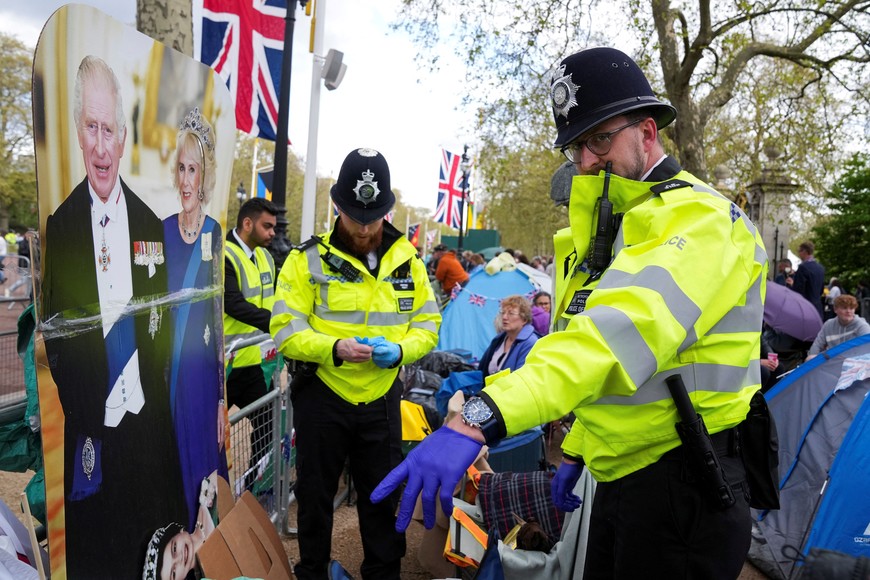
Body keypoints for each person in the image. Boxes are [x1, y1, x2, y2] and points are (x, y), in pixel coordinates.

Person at [372, 47, 767, 580]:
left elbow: (609, 341)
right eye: (578, 145)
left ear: (648, 133)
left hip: (686, 487)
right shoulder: (613, 226)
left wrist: (478, 419)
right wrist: (578, 449)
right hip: (623, 473)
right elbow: (606, 368)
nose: (586, 160)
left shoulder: (701, 221)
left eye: (600, 137)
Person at [41, 55, 187, 578]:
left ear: (124, 137)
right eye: (91, 128)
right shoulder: (62, 229)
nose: (101, 147)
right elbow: (56, 340)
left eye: (110, 130)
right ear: (78, 133)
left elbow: (162, 327)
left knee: (146, 552)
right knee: (97, 561)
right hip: (91, 433)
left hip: (146, 429)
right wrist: (88, 412)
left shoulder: (150, 222)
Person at [270, 148, 441, 579]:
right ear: (338, 208)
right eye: (354, 218)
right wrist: (335, 349)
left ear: (387, 211)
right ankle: (312, 570)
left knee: (382, 497)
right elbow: (285, 329)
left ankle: (382, 573)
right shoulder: (304, 260)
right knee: (313, 495)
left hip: (382, 397)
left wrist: (399, 352)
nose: (364, 229)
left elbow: (428, 326)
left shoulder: (411, 263)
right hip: (324, 394)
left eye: (373, 218)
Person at [164, 107, 228, 530]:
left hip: (204, 381)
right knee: (170, 472)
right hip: (168, 376)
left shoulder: (215, 232)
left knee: (205, 473)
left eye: (195, 170)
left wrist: (223, 398)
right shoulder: (160, 230)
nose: (187, 180)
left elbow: (218, 319)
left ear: (205, 177)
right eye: (182, 169)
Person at [223, 197, 278, 492]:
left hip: (254, 363)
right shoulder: (225, 255)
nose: (272, 233)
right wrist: (275, 322)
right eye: (267, 226)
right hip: (224, 366)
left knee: (267, 424)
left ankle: (247, 492)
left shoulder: (266, 257)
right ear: (247, 224)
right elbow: (232, 304)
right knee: (211, 435)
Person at [143, 471, 219, 580]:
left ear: (178, 531)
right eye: (173, 573)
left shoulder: (210, 491)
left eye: (174, 548)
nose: (179, 559)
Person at [479, 295, 539, 376]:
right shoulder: (499, 339)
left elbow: (520, 379)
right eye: (503, 313)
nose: (504, 317)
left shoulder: (530, 343)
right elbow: (482, 370)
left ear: (524, 319)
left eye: (511, 313)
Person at [806, 294, 870, 360]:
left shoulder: (862, 326)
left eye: (851, 308)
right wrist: (811, 357)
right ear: (835, 309)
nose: (848, 311)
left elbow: (868, 348)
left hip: (854, 363)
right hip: (832, 363)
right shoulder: (828, 325)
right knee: (810, 358)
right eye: (844, 308)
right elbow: (817, 345)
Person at [787, 241, 825, 319]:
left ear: (805, 251)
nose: (799, 254)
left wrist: (791, 284)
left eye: (799, 251)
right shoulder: (820, 268)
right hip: (818, 307)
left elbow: (798, 290)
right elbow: (821, 289)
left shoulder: (803, 267)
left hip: (805, 307)